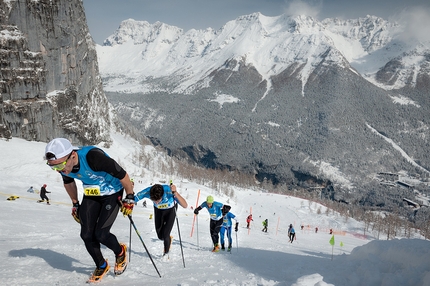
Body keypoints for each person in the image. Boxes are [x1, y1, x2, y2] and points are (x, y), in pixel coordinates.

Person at [44, 138, 134, 283]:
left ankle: (120, 252)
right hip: (92, 194)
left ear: (73, 155)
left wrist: (130, 196)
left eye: (59, 166)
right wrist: (75, 204)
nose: (59, 170)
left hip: (112, 192)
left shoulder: (93, 157)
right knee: (86, 234)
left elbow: (122, 175)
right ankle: (101, 265)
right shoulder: (63, 164)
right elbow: (68, 182)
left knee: (101, 234)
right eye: (53, 167)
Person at [134, 183, 187, 257]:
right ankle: (168, 239)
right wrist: (129, 202)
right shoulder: (148, 191)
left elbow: (185, 205)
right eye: (154, 200)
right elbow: (135, 198)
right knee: (160, 236)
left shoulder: (168, 191)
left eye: (158, 200)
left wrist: (175, 193)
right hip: (158, 210)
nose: (156, 202)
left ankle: (166, 253)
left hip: (170, 210)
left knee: (165, 234)